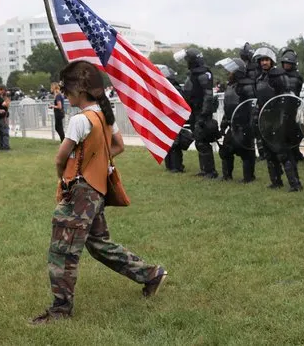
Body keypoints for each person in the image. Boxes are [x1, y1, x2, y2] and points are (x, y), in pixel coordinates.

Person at [31, 61, 166, 325]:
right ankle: (151, 274)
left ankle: (60, 310)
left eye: (67, 90)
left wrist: (64, 175)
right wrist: (97, 162)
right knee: (98, 244)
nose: (65, 94)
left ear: (79, 91)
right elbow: (118, 145)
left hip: (79, 192)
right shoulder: (105, 115)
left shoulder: (80, 120)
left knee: (62, 250)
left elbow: (61, 157)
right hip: (97, 190)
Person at [253, 47, 303, 192]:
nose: (264, 63)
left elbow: (287, 98)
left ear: (272, 61)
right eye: (262, 60)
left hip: (279, 119)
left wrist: (282, 119)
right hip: (265, 119)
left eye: (266, 60)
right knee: (269, 152)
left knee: (283, 152)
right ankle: (276, 181)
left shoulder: (280, 76)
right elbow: (260, 100)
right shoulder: (260, 78)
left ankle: (295, 184)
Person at [177, 47, 219, 179]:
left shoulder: (203, 73)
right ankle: (204, 169)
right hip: (194, 111)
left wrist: (204, 115)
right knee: (198, 141)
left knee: (203, 141)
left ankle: (210, 171)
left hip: (201, 112)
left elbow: (208, 96)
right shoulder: (194, 73)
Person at [217, 57, 257, 182]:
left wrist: (251, 124)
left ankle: (248, 178)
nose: (229, 73)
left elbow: (253, 105)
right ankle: (227, 176)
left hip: (244, 125)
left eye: (231, 71)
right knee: (226, 151)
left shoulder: (248, 86)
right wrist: (224, 123)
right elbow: (228, 107)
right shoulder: (231, 86)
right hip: (232, 123)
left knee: (246, 153)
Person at [279, 47, 304, 162]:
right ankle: (288, 152)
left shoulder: (296, 77)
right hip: (281, 108)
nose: (286, 65)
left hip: (290, 107)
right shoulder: (280, 75)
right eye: (284, 63)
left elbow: (293, 90)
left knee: (292, 130)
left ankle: (294, 152)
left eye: (288, 63)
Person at [160, 66, 186, 173]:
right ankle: (173, 166)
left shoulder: (170, 88)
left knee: (172, 142)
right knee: (171, 142)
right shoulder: (171, 88)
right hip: (170, 117)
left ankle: (174, 166)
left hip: (172, 117)